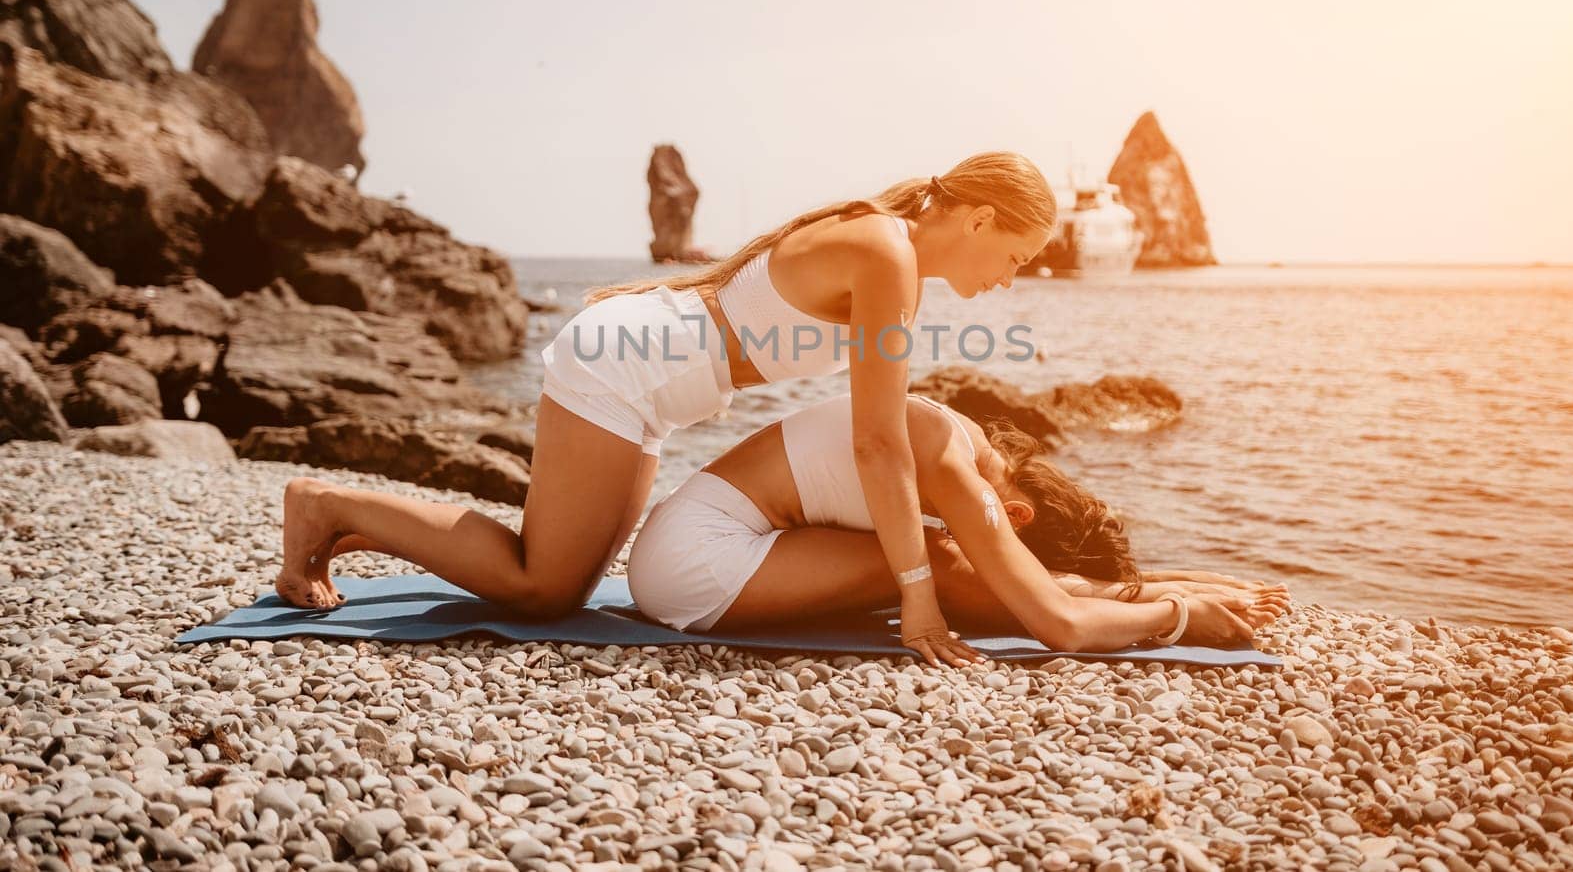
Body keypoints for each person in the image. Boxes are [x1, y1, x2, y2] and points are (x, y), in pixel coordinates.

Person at [275, 152, 1059, 667]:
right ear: (981, 219)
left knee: (560, 585)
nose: (1007, 278)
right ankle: (329, 502)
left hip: (651, 382)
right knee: (543, 588)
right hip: (626, 367)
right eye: (1016, 257)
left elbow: (877, 437)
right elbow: (879, 444)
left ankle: (351, 520)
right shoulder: (887, 254)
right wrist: (918, 593)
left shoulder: (884, 244)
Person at [627, 389, 1291, 650]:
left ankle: (1145, 585)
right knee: (943, 561)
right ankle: (1143, 594)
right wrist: (1177, 617)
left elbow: (1021, 582)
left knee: (940, 554)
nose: (995, 550)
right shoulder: (956, 469)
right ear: (1017, 511)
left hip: (690, 538)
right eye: (1010, 542)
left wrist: (1187, 577)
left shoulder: (959, 436)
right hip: (695, 560)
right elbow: (1057, 623)